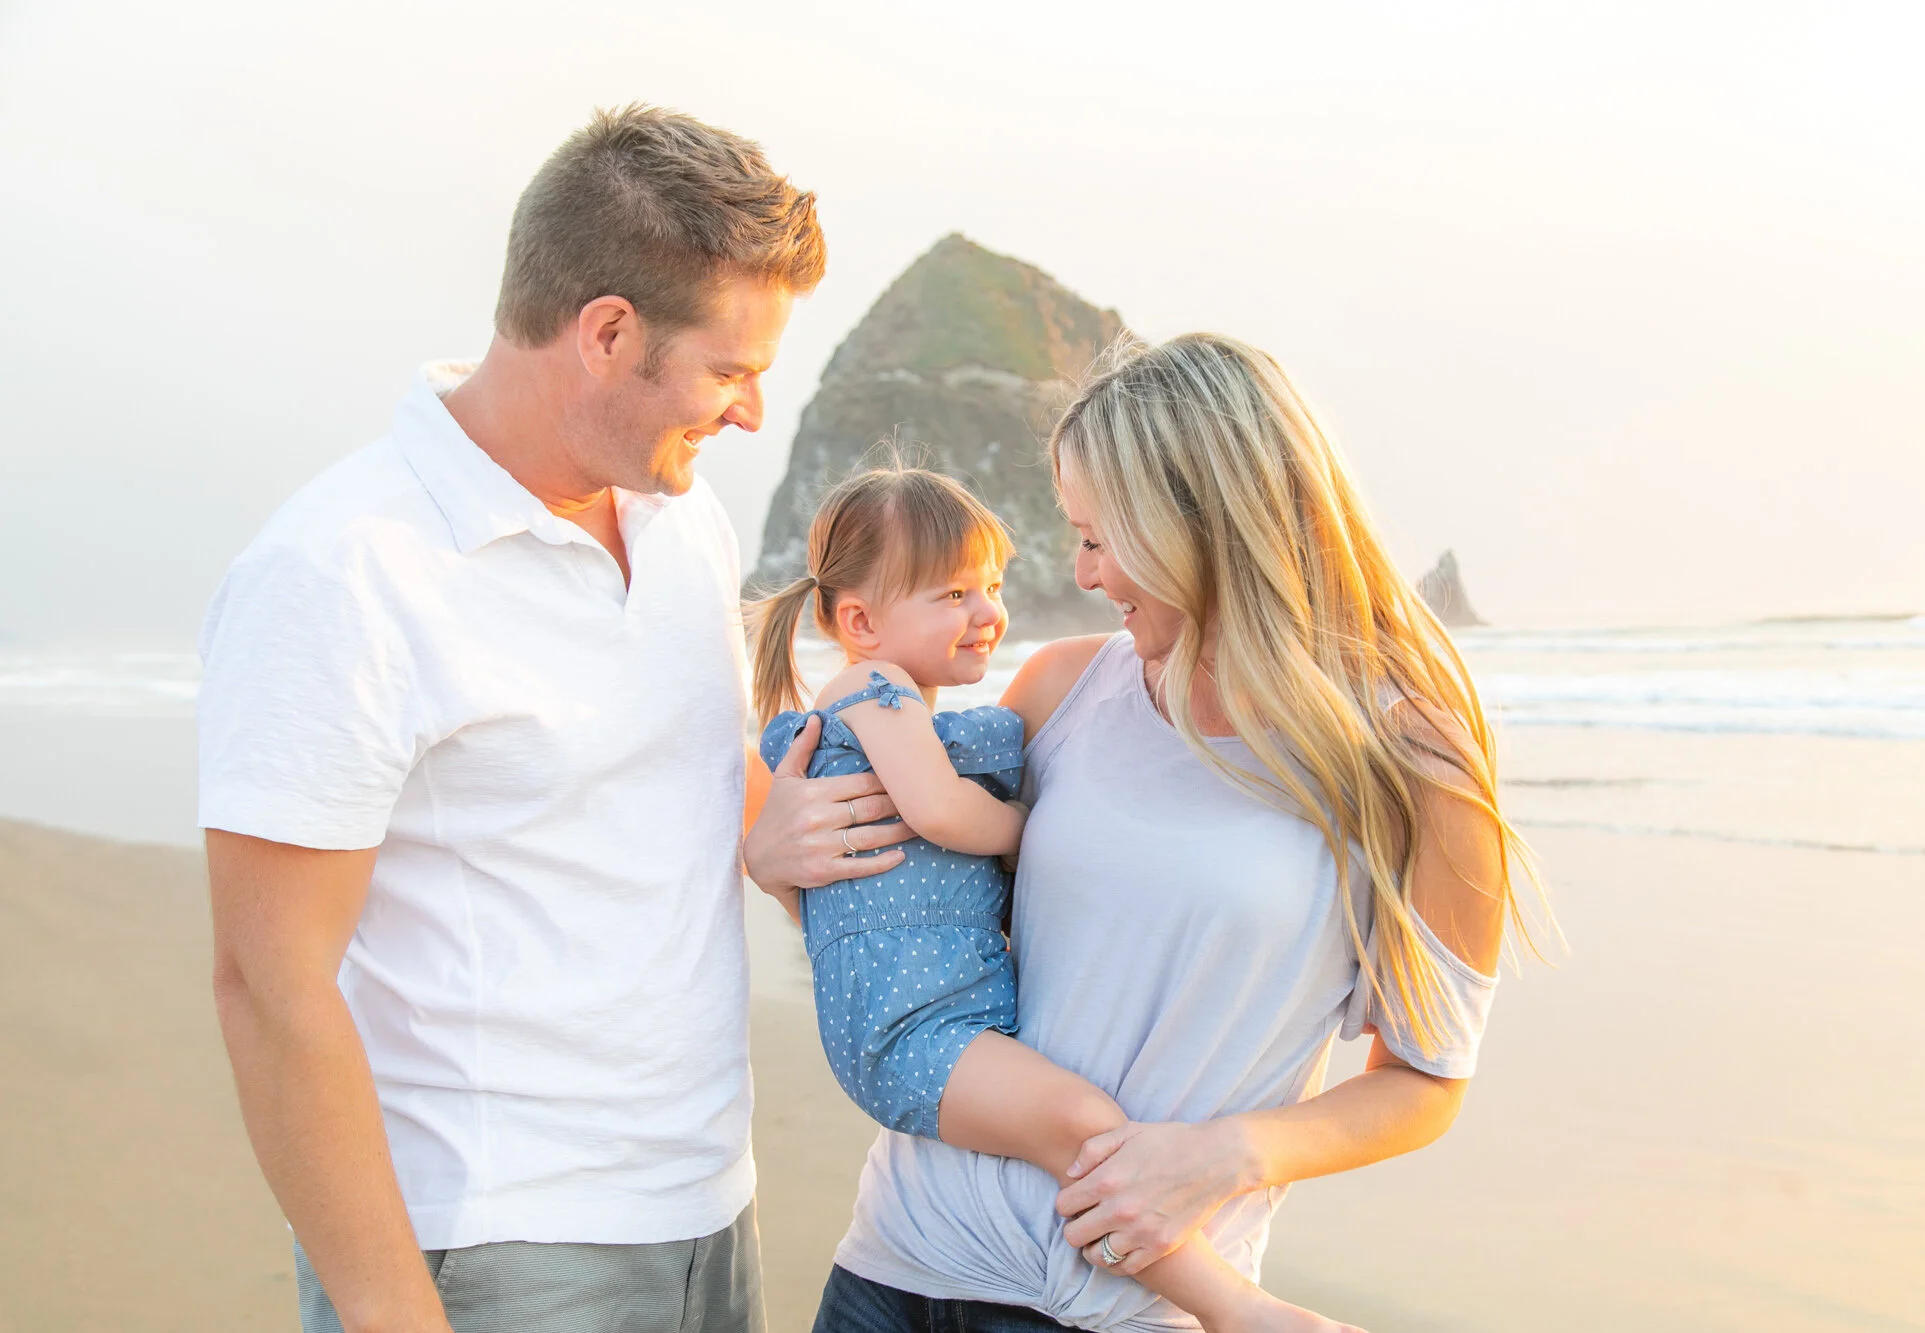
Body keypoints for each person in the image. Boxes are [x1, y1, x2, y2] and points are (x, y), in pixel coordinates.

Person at [199, 105, 900, 1333]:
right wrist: (390, 1314)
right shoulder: (343, 569)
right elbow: (267, 983)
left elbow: (679, 760)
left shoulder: (681, 520)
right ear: (608, 332)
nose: (748, 415)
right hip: (492, 1244)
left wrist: (781, 822)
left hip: (704, 1203)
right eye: (729, 370)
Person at [758, 333, 1544, 1332]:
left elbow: (1425, 1082)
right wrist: (777, 861)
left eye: (1099, 536)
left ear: (1207, 522)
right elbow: (921, 918)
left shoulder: (1410, 764)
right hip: (898, 1269)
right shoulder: (1060, 692)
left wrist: (1229, 1153)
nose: (1082, 573)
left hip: (1137, 1308)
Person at [746, 465, 1347, 1331]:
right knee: (1081, 1121)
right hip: (911, 1034)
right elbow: (941, 812)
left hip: (929, 1019)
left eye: (990, 586)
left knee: (1074, 1121)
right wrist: (1031, 823)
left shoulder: (912, 715)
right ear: (861, 622)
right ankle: (1236, 1308)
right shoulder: (870, 694)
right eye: (952, 592)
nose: (988, 610)